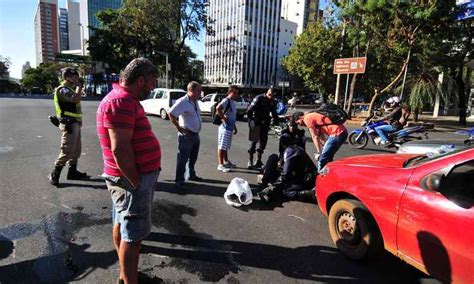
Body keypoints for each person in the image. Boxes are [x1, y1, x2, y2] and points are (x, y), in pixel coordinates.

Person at [96, 58, 160, 284]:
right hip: (131, 181)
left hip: (129, 179)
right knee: (132, 238)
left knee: (122, 225)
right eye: (152, 82)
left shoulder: (124, 99)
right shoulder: (121, 101)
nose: (153, 87)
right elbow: (120, 148)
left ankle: (126, 275)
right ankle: (129, 279)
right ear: (140, 80)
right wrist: (135, 181)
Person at [48, 67, 89, 186]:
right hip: (69, 124)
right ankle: (54, 174)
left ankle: (72, 172)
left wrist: (79, 120)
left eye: (77, 77)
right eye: (74, 77)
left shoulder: (70, 89)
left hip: (75, 123)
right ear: (67, 77)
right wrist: (79, 86)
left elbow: (77, 103)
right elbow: (75, 100)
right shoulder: (63, 90)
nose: (77, 79)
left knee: (76, 149)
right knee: (67, 150)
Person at [258, 133, 317, 203]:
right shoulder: (296, 148)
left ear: (282, 144)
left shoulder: (290, 151)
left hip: (306, 180)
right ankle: (268, 181)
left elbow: (286, 174)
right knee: (273, 157)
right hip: (304, 176)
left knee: (286, 191)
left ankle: (311, 194)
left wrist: (275, 186)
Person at [168, 81, 203, 189]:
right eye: (198, 91)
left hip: (195, 135)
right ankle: (179, 181)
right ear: (191, 90)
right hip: (186, 136)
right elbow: (171, 113)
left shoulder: (194, 101)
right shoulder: (183, 101)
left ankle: (191, 175)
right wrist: (178, 127)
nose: (200, 93)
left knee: (193, 158)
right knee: (182, 159)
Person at [246, 87, 280, 170]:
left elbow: (274, 112)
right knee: (253, 142)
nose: (270, 97)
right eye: (269, 94)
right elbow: (249, 110)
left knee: (262, 143)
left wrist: (277, 120)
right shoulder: (259, 98)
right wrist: (250, 121)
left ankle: (258, 161)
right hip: (256, 123)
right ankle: (250, 161)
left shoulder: (273, 101)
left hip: (265, 124)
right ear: (267, 93)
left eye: (273, 95)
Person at [216, 85, 239, 172]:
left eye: (237, 93)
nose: (236, 94)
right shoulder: (226, 100)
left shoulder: (233, 102)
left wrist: (234, 127)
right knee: (222, 146)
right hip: (224, 127)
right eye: (235, 93)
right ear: (229, 92)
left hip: (229, 127)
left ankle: (226, 161)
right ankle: (220, 164)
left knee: (225, 146)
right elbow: (218, 108)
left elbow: (232, 115)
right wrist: (223, 118)